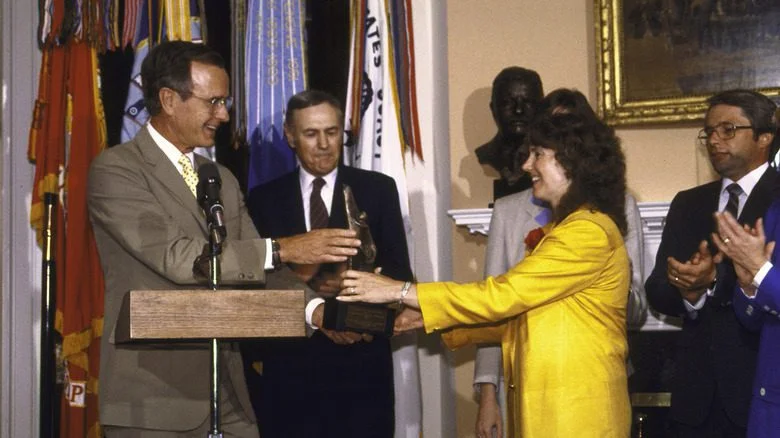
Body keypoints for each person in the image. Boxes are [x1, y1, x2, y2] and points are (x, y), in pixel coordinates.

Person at [87, 42, 360, 437]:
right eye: (213, 101)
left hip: (230, 395)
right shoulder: (116, 170)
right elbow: (181, 259)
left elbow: (258, 269)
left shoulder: (220, 177)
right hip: (154, 400)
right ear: (168, 99)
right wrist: (284, 247)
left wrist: (318, 311)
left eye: (225, 101)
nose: (224, 114)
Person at [341, 110, 632, 437]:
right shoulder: (567, 229)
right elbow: (522, 318)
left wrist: (399, 290)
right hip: (553, 412)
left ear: (572, 162)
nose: (526, 165)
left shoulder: (586, 233)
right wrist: (430, 318)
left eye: (538, 155)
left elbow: (503, 296)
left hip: (579, 417)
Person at [473, 88, 648, 438]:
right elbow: (495, 300)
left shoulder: (608, 213)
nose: (529, 162)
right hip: (526, 383)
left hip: (586, 389)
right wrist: (487, 394)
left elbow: (638, 309)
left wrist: (607, 279)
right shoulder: (508, 211)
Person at [242, 90, 413, 437]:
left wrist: (358, 301)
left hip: (362, 371)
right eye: (310, 134)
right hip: (290, 374)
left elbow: (399, 274)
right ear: (290, 136)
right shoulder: (262, 199)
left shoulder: (377, 189)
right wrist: (315, 294)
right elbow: (254, 282)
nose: (323, 144)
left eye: (332, 132)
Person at [645, 89, 780, 437]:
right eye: (709, 132)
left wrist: (715, 282)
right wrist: (691, 290)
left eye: (728, 130)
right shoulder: (689, 203)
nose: (715, 140)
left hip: (760, 392)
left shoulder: (777, 198)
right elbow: (658, 289)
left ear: (764, 136)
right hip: (697, 396)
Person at [712, 204, 780, 438]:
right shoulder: (775, 212)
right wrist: (748, 285)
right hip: (768, 406)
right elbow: (754, 319)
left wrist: (760, 270)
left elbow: (766, 275)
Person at [475, 66, 543, 200]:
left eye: (527, 102)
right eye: (508, 103)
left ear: (541, 107)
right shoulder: (486, 154)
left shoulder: (550, 157)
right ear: (493, 108)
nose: (518, 110)